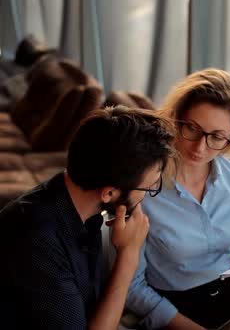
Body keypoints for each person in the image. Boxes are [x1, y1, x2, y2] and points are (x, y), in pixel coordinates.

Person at [125, 68, 230, 330]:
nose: (200, 147)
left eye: (217, 137)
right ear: (175, 120)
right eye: (192, 129)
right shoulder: (144, 185)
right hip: (175, 309)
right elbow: (131, 287)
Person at [0, 106, 176, 329]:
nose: (147, 197)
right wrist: (128, 256)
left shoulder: (77, 206)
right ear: (109, 193)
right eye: (148, 188)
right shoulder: (36, 240)